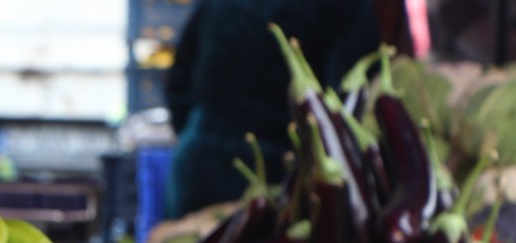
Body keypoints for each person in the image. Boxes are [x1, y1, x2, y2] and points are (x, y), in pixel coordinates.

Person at [164, 0, 413, 218]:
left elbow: (178, 82)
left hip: (197, 167)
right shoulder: (349, 7)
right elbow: (344, 109)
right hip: (280, 180)